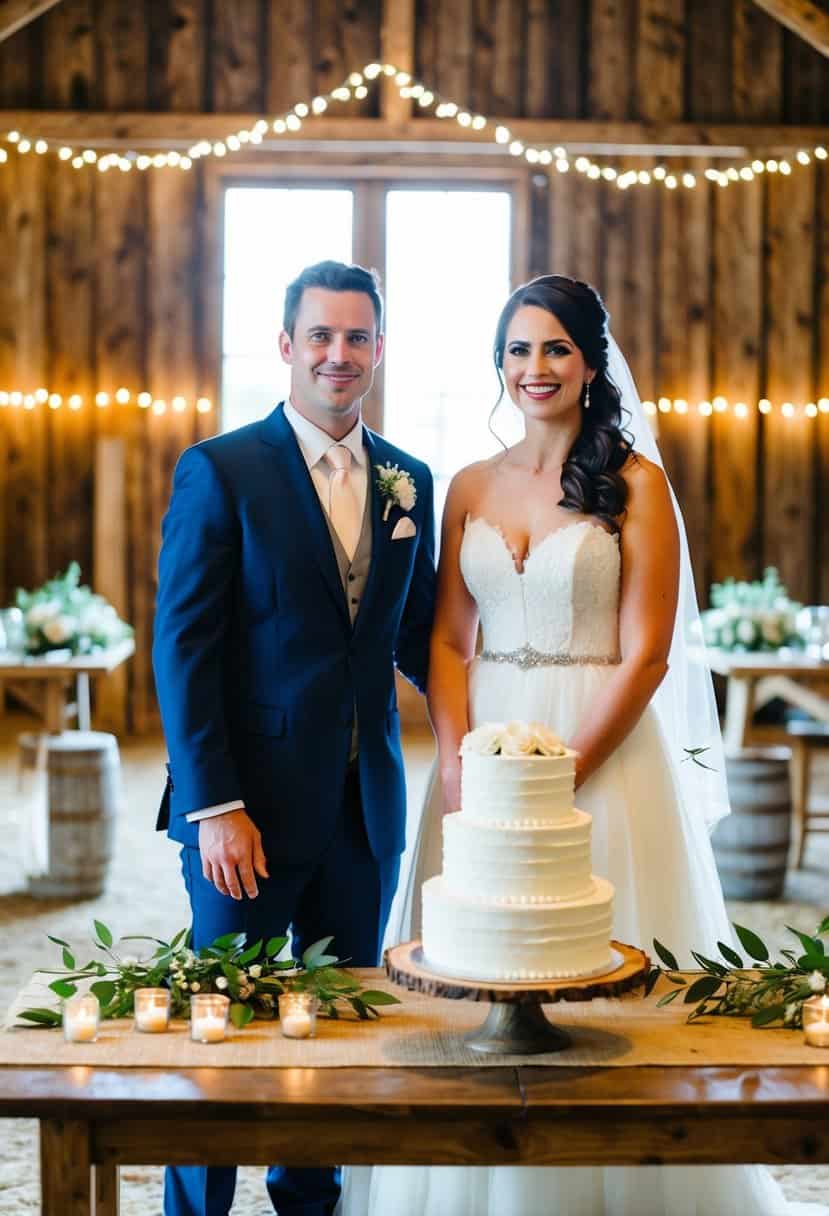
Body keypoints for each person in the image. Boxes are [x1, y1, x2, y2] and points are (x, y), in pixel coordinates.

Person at [340, 275, 824, 1215]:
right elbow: (444, 639)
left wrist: (556, 776)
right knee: (478, 966)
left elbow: (645, 657)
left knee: (601, 968)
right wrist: (461, 758)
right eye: (518, 350)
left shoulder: (636, 485)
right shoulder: (470, 485)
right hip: (481, 752)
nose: (535, 368)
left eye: (555, 348)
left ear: (592, 361)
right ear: (499, 364)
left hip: (602, 742)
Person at [153, 260, 436, 1216]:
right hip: (250, 813)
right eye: (320, 335)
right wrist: (214, 806)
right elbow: (183, 649)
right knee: (220, 1026)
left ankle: (311, 1203)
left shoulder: (409, 482)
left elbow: (416, 637)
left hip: (367, 813)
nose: (338, 355)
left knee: (340, 1028)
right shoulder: (222, 469)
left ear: (379, 351)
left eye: (357, 337)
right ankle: (197, 1210)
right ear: (286, 346)